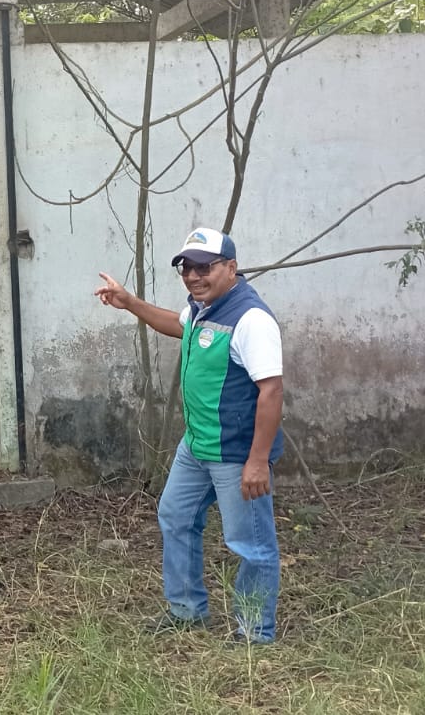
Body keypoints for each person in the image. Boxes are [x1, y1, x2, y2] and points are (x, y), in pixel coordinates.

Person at [94, 227, 285, 645]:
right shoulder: (203, 308)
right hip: (197, 446)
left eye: (204, 267)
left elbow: (271, 391)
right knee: (176, 517)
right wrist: (129, 302)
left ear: (231, 268)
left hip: (235, 452)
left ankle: (255, 632)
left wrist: (257, 460)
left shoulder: (251, 319)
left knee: (250, 543)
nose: (193, 276)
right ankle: (186, 611)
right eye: (186, 268)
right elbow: (176, 323)